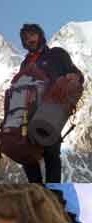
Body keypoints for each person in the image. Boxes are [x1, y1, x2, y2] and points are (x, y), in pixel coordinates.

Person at [17, 24, 84, 183]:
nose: (29, 40)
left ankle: (55, 193)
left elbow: (78, 75)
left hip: (51, 110)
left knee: (51, 153)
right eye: (26, 38)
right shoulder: (24, 64)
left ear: (40, 35)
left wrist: (74, 77)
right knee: (27, 155)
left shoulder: (56, 55)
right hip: (28, 114)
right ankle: (37, 190)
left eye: (32, 35)